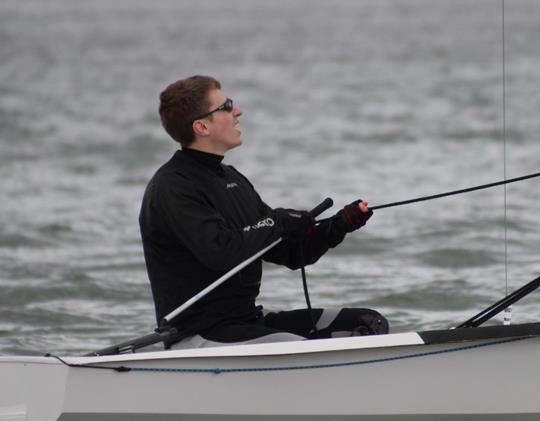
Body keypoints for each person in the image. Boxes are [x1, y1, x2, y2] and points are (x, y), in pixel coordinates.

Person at [139, 75, 388, 348]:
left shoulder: (232, 179)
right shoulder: (173, 187)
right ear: (201, 126)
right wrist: (278, 222)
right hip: (199, 334)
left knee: (367, 323)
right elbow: (222, 253)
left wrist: (340, 225)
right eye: (227, 106)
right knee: (294, 348)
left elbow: (290, 253)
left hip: (246, 323)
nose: (238, 111)